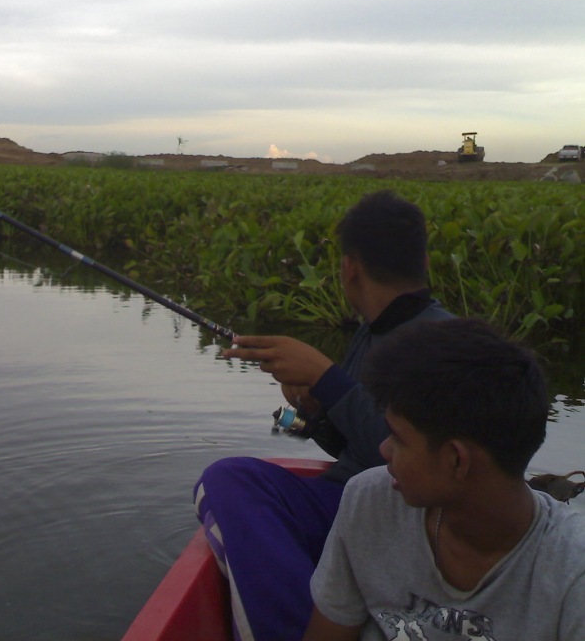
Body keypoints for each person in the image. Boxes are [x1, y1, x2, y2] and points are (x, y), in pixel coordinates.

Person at [193, 190, 454, 641]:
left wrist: (327, 378)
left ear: (349, 268)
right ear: (425, 262)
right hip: (350, 500)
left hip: (399, 512)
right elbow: (354, 444)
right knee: (240, 481)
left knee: (227, 481)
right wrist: (314, 412)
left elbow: (405, 461)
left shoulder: (444, 340)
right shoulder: (371, 333)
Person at [304, 317, 585, 640]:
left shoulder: (573, 572)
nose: (384, 450)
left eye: (398, 438)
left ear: (456, 460)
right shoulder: (370, 501)